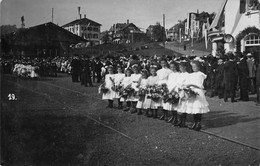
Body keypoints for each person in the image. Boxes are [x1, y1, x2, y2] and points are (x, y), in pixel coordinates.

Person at [180, 61, 210, 131]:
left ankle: (198, 123)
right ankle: (195, 122)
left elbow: (199, 84)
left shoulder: (200, 74)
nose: (193, 68)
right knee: (194, 109)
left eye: (195, 67)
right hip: (192, 91)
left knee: (198, 108)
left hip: (198, 92)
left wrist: (191, 85)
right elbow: (187, 82)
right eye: (192, 67)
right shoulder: (191, 74)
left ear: (198, 67)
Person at [176, 62, 191, 127]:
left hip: (184, 91)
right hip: (179, 91)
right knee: (179, 106)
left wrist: (183, 88)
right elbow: (177, 82)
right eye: (180, 67)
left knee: (184, 106)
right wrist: (178, 88)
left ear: (185, 67)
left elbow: (188, 83)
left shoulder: (188, 75)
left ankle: (183, 122)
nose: (181, 68)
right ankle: (180, 121)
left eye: (182, 67)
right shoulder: (179, 74)